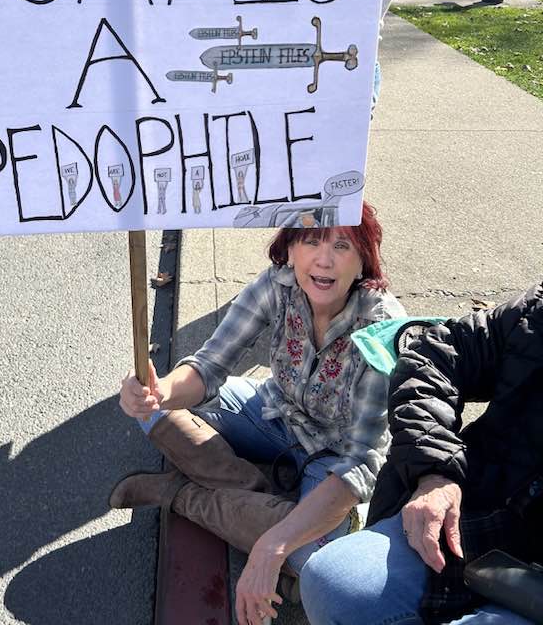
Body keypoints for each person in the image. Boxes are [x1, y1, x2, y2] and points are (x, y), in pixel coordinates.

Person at [110, 202, 405, 623]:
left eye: (342, 245)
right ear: (290, 249)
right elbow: (209, 366)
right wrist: (156, 393)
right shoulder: (278, 284)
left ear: (363, 262)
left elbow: (360, 464)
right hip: (271, 412)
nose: (324, 258)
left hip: (333, 458)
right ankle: (252, 493)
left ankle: (180, 496)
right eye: (311, 241)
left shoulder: (381, 328)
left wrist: (273, 548)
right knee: (150, 414)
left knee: (317, 564)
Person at [300, 280, 543, 625]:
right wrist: (435, 470)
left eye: (340, 245)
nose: (323, 259)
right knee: (331, 579)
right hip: (487, 519)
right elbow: (435, 354)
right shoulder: (536, 308)